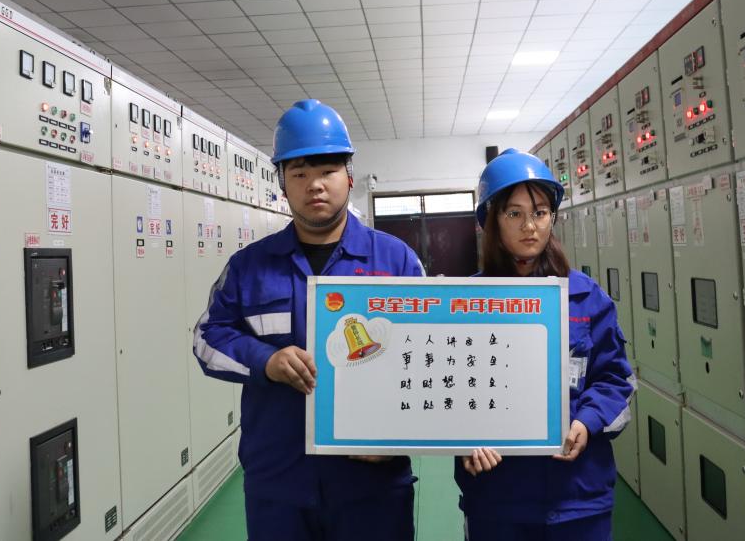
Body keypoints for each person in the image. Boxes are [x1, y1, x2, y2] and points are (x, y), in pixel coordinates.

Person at [193, 99, 424, 541]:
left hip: (372, 484)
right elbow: (207, 339)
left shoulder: (395, 261)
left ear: (349, 176)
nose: (314, 185)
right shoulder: (249, 267)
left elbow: (425, 356)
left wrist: (396, 440)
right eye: (299, 173)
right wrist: (265, 361)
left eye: (327, 171)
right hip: (279, 484)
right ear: (282, 183)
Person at [456, 148, 635, 541]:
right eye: (514, 213)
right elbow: (445, 386)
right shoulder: (465, 302)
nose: (530, 226)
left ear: (552, 218)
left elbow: (615, 379)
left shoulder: (586, 297)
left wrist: (586, 421)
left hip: (578, 498)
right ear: (492, 220)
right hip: (498, 499)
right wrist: (464, 440)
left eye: (539, 212)